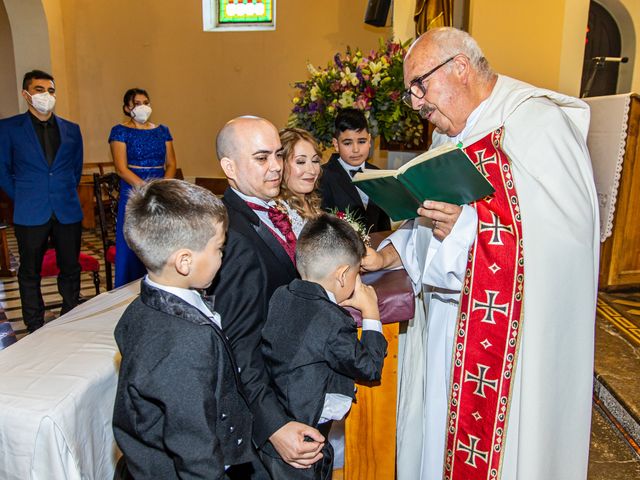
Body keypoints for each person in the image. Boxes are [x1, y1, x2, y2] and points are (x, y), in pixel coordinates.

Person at [363, 28, 599, 480]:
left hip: (511, 341)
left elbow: (566, 238)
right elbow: (426, 219)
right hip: (449, 323)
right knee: (439, 442)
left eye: (419, 86)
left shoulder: (535, 122)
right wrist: (390, 253)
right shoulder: (448, 135)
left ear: (460, 68)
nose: (416, 104)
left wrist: (470, 228)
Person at [112, 179, 255, 479]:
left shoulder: (138, 309)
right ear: (184, 261)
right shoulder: (185, 342)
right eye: (219, 248)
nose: (222, 256)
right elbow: (193, 444)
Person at [208, 116, 324, 479]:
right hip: (268, 398)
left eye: (277, 154)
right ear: (229, 167)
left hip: (290, 378)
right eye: (261, 158)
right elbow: (238, 344)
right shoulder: (234, 235)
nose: (276, 167)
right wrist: (273, 425)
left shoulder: (267, 209)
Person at [261, 214, 387, 479]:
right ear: (342, 275)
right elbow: (369, 367)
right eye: (356, 274)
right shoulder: (331, 320)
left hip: (274, 431)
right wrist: (371, 313)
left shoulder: (281, 295)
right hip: (303, 448)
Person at [0, 70, 83, 333]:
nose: (45, 95)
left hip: (66, 208)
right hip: (30, 209)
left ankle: (70, 314)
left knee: (70, 267)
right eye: (39, 89)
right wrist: (21, 196)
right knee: (29, 272)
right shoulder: (8, 128)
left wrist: (63, 190)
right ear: (26, 94)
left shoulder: (71, 129)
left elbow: (75, 169)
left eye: (50, 90)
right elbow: (2, 170)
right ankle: (34, 324)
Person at [108, 88, 177, 288]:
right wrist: (146, 189)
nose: (143, 107)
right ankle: (128, 287)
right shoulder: (120, 131)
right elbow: (121, 169)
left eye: (146, 102)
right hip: (133, 190)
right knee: (133, 242)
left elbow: (171, 163)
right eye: (137, 103)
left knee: (161, 240)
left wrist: (162, 187)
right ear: (127, 107)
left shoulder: (162, 131)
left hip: (160, 188)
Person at [320, 108, 390, 233]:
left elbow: (383, 225)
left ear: (369, 140)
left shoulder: (378, 174)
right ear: (336, 144)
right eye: (347, 143)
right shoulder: (323, 176)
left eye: (362, 141)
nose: (356, 149)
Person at [276, 127, 324, 236]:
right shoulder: (279, 213)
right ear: (281, 164)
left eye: (315, 161)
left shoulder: (312, 201)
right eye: (301, 162)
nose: (312, 170)